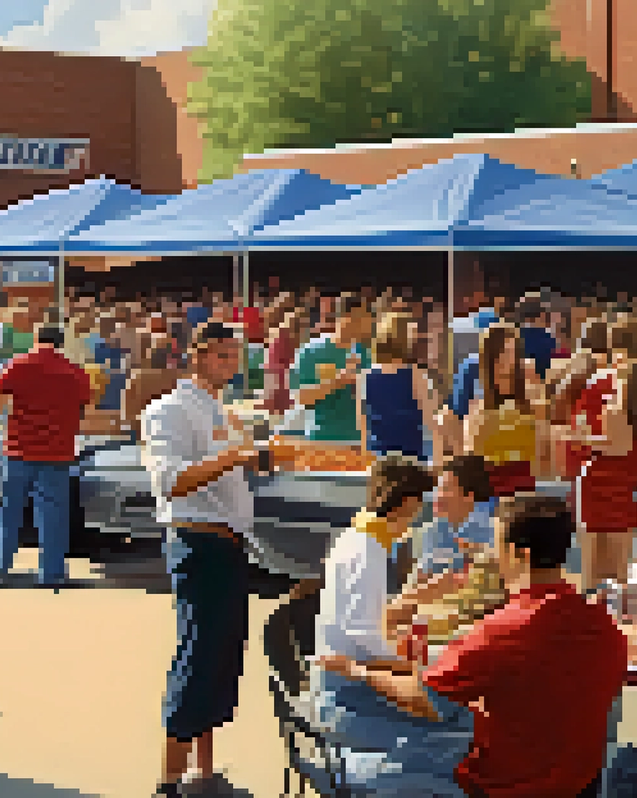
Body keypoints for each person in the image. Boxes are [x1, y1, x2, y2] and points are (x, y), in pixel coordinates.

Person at [334, 493, 625, 798]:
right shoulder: (604, 625)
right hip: (576, 780)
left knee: (352, 772)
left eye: (496, 544)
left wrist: (358, 671)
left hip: (503, 782)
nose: (492, 555)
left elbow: (426, 699)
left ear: (519, 555)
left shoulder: (505, 628)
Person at [141, 322, 277, 795]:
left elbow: (233, 465)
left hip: (228, 543)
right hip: (197, 543)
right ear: (195, 355)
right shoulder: (168, 410)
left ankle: (204, 771)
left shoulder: (221, 408)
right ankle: (169, 781)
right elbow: (171, 481)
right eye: (221, 356)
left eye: (233, 356)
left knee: (221, 658)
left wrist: (254, 455)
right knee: (196, 658)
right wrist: (236, 456)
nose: (230, 365)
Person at [307, 456, 476, 796]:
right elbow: (365, 639)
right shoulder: (367, 552)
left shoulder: (357, 538)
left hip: (339, 688)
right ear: (407, 504)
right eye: (417, 509)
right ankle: (351, 776)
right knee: (456, 739)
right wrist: (416, 670)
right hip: (346, 701)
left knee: (455, 725)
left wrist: (417, 597)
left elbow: (365, 621)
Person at [0, 325, 92, 588]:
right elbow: (86, 413)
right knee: (53, 515)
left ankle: (1, 567)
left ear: (35, 340)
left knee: (10, 512)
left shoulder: (17, 366)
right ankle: (51, 573)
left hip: (19, 449)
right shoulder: (76, 373)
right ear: (61, 344)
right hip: (58, 452)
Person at [566, 327, 637, 591]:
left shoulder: (615, 411)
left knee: (591, 571)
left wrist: (584, 439)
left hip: (596, 484)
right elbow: (626, 449)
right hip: (624, 489)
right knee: (620, 573)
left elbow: (613, 447)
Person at [464, 324, 550, 498]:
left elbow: (544, 442)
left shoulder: (530, 389)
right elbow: (470, 447)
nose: (506, 360)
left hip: (524, 484)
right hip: (489, 485)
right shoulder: (477, 393)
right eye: (501, 353)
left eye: (511, 353)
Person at [289, 294, 373, 442]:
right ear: (347, 317)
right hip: (322, 439)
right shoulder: (311, 351)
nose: (369, 324)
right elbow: (301, 397)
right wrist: (338, 381)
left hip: (359, 441)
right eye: (363, 318)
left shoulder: (366, 354)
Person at [357, 312, 440, 460]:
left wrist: (366, 456)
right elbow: (432, 421)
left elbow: (363, 424)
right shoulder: (416, 375)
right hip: (411, 456)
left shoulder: (365, 376)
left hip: (379, 456)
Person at [411, 455, 496, 582]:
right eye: (437, 489)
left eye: (446, 489)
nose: (437, 496)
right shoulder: (434, 531)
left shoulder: (493, 531)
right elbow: (423, 578)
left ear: (469, 496)